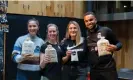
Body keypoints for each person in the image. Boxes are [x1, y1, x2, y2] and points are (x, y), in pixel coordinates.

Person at [83, 12, 122, 80]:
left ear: (95, 20)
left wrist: (115, 47)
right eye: (86, 21)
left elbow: (119, 43)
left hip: (108, 70)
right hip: (94, 71)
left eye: (91, 20)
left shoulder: (106, 30)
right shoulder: (85, 34)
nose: (89, 22)